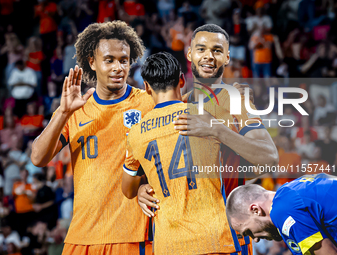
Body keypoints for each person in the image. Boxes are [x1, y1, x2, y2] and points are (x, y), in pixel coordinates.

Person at [137, 24, 278, 255]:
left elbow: (269, 158)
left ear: (227, 57)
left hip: (224, 239)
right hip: (178, 241)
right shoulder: (177, 105)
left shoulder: (237, 101)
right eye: (201, 49)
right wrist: (143, 187)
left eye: (217, 50)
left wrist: (217, 130)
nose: (209, 56)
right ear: (190, 53)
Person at [31, 20, 155, 254]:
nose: (118, 67)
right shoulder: (75, 109)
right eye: (109, 60)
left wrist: (145, 185)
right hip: (81, 237)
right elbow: (38, 158)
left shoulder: (147, 103)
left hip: (132, 236)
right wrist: (63, 112)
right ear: (92, 62)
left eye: (124, 60)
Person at [123, 52, 241, 255]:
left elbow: (128, 190)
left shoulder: (135, 134)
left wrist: (143, 188)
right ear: (181, 79)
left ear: (146, 87)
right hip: (214, 238)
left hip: (168, 243)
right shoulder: (207, 115)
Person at [226, 174, 337, 255]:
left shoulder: (282, 211)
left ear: (255, 210)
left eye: (249, 232)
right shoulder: (288, 194)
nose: (255, 239)